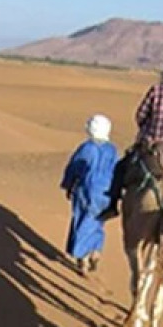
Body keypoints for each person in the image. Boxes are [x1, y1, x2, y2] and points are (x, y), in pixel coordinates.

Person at [100, 50, 163, 219]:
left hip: (152, 150)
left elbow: (140, 115)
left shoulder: (156, 90)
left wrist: (149, 128)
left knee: (121, 167)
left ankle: (112, 205)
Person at [60, 114, 120, 273]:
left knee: (84, 221)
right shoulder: (112, 150)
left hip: (87, 191)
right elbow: (117, 170)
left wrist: (68, 185)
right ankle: (96, 250)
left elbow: (74, 168)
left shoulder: (87, 148)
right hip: (107, 193)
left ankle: (84, 256)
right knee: (98, 222)